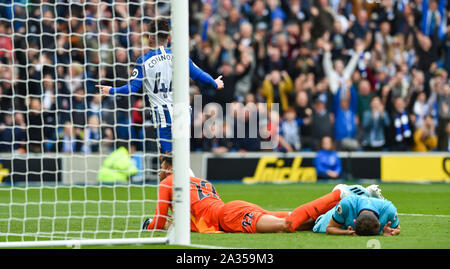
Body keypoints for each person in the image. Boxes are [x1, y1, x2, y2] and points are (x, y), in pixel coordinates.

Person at [142, 156, 374, 234]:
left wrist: (148, 224)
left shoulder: (168, 182)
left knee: (288, 224)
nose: (160, 171)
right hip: (230, 211)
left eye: (162, 165)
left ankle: (338, 193)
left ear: (169, 166)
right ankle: (351, 212)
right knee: (303, 222)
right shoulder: (202, 182)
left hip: (230, 217)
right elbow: (200, 218)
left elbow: (159, 221)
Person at [96, 19, 224, 154]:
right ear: (168, 38)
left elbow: (132, 88)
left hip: (162, 114)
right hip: (182, 112)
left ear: (150, 38)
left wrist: (111, 90)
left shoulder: (143, 60)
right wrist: (215, 82)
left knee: (168, 156)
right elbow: (199, 75)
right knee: (181, 156)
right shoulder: (180, 56)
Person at [313, 191, 401, 236]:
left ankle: (365, 193)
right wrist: (346, 232)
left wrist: (393, 231)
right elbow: (329, 228)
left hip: (355, 206)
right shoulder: (346, 204)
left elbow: (398, 229)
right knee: (315, 225)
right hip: (344, 208)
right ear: (354, 221)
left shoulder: (389, 210)